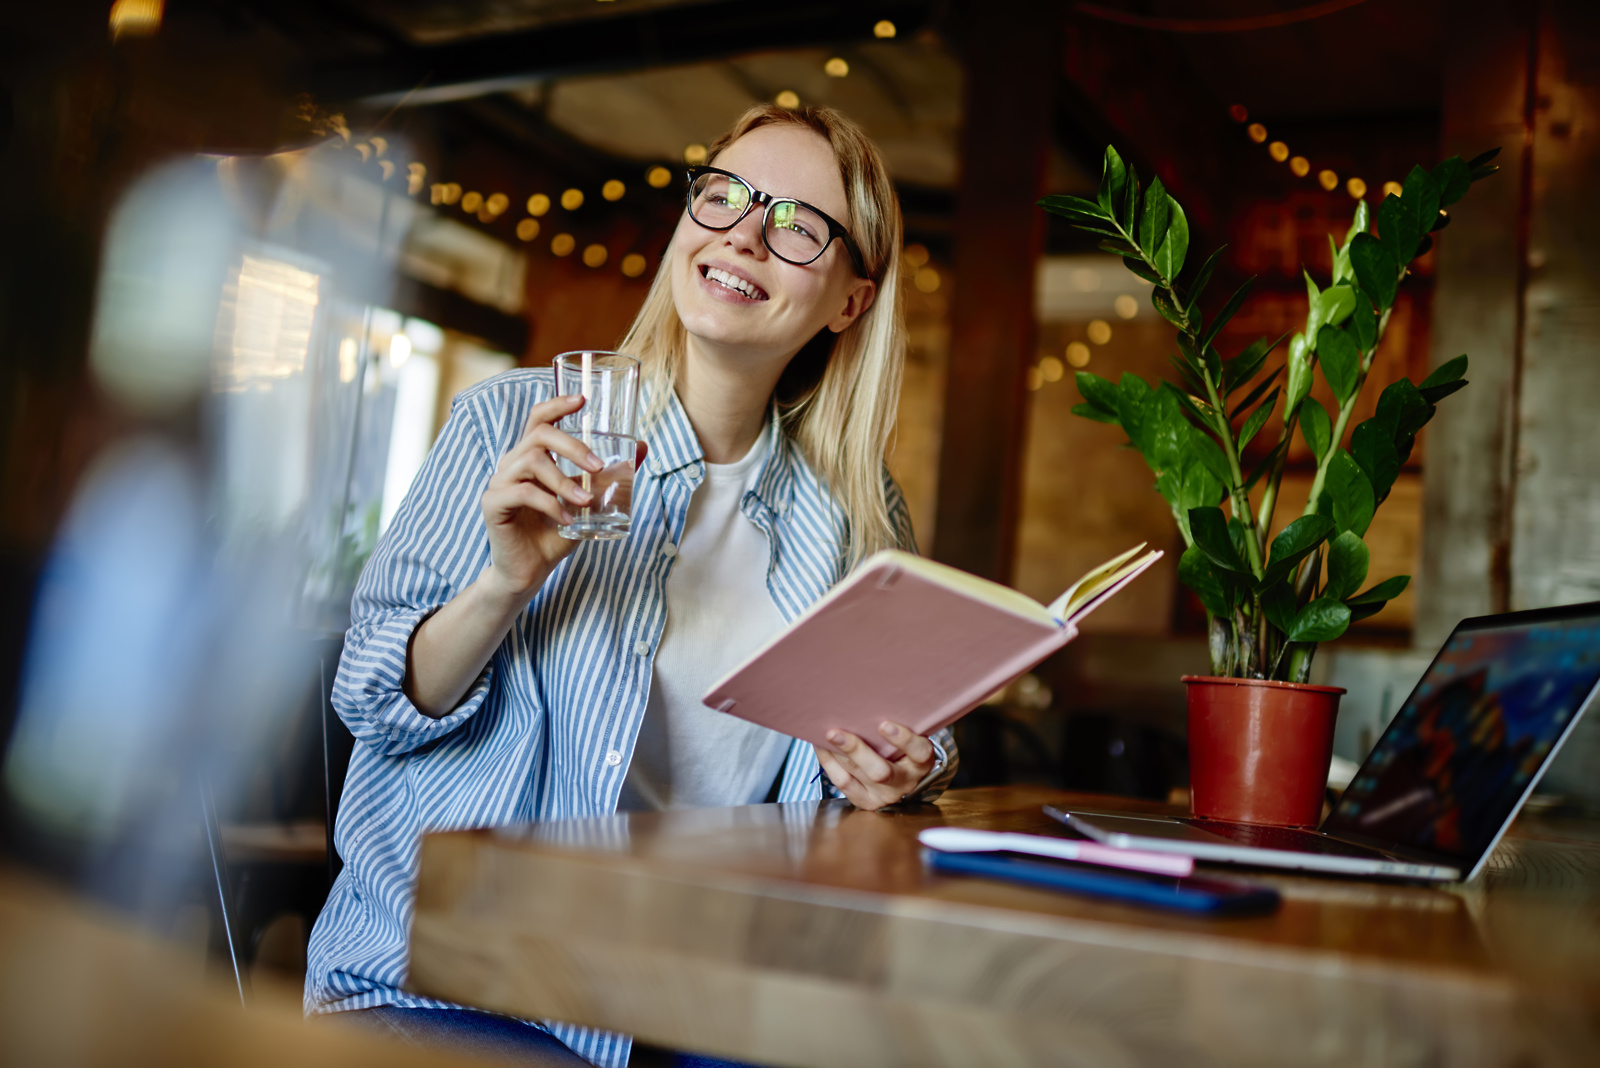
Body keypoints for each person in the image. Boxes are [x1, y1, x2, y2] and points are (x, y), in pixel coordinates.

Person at [305, 103, 958, 1067]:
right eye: (726, 197)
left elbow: (909, 736)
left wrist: (906, 767)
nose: (742, 232)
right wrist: (501, 584)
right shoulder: (513, 424)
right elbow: (371, 700)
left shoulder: (856, 520)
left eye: (794, 222)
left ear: (850, 301)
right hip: (455, 987)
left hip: (694, 999)